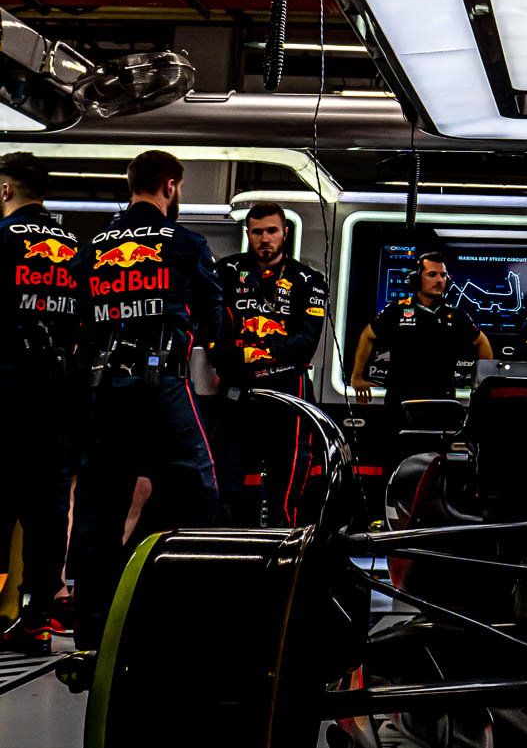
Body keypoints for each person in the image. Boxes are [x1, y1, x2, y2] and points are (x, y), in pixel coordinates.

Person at [68, 150, 222, 651]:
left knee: (97, 509)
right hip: (161, 390)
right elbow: (216, 321)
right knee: (196, 493)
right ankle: (167, 617)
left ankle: (92, 633)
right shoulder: (185, 243)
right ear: (171, 186)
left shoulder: (90, 250)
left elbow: (76, 322)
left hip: (102, 392)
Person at [0, 153, 80, 654]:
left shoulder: (0, 240)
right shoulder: (79, 248)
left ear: (6, 189)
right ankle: (37, 622)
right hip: (61, 392)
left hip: (6, 387)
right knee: (49, 511)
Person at [210, 202, 329, 527]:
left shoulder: (309, 280)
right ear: (248, 233)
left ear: (285, 233)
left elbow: (305, 343)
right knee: (223, 480)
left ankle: (286, 557)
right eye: (257, 231)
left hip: (289, 391)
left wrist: (248, 352)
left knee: (288, 485)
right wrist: (241, 355)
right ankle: (218, 553)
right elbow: (214, 335)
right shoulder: (226, 272)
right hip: (239, 392)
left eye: (272, 231)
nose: (265, 238)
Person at [350, 251, 493, 407]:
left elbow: (482, 342)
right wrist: (357, 377)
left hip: (441, 400)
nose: (439, 280)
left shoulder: (457, 315)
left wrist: (483, 385)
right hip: (401, 398)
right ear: (417, 280)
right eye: (432, 274)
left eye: (443, 275)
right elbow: (367, 335)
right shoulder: (396, 310)